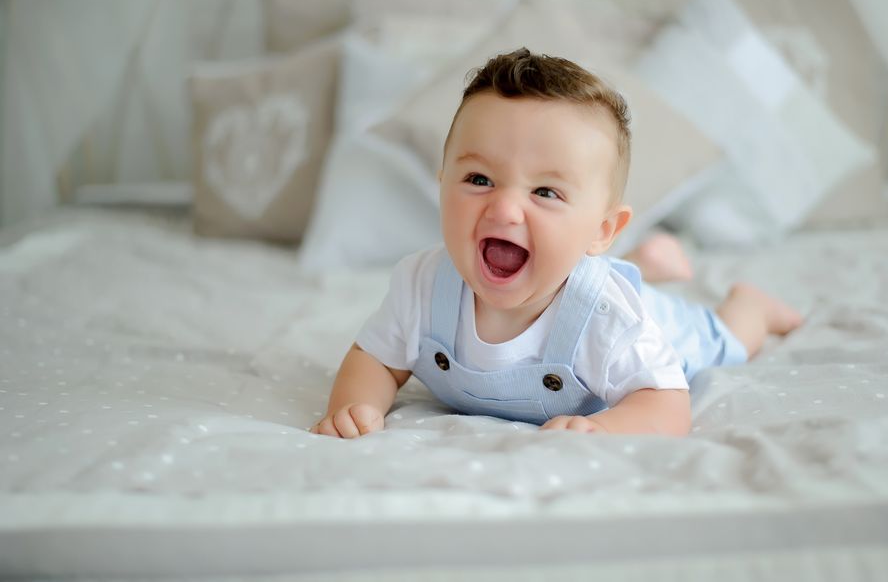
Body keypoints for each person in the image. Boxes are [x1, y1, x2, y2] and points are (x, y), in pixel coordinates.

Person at [310, 48, 802, 438]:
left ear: (601, 230)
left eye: (545, 191)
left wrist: (606, 426)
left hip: (648, 322)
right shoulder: (420, 285)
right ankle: (641, 261)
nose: (503, 209)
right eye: (479, 178)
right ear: (442, 185)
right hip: (581, 281)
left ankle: (750, 306)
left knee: (722, 340)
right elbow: (375, 359)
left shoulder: (613, 320)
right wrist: (357, 405)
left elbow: (668, 404)